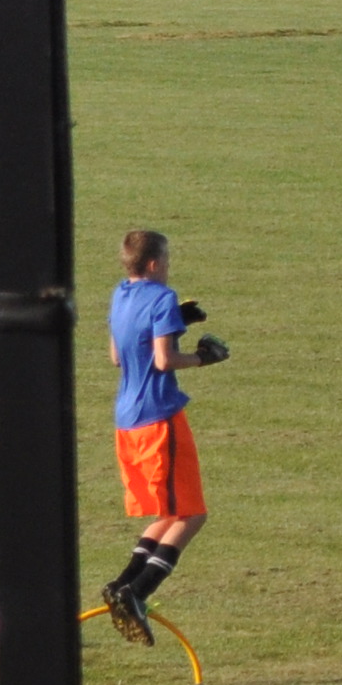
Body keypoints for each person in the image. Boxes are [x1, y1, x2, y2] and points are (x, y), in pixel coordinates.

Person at [99, 228, 227, 641]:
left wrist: (176, 324)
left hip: (127, 423)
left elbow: (118, 355)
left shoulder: (120, 295)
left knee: (169, 513)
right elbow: (163, 359)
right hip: (160, 422)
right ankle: (138, 592)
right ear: (154, 263)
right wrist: (204, 359)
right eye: (167, 261)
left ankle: (121, 585)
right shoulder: (161, 298)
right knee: (192, 516)